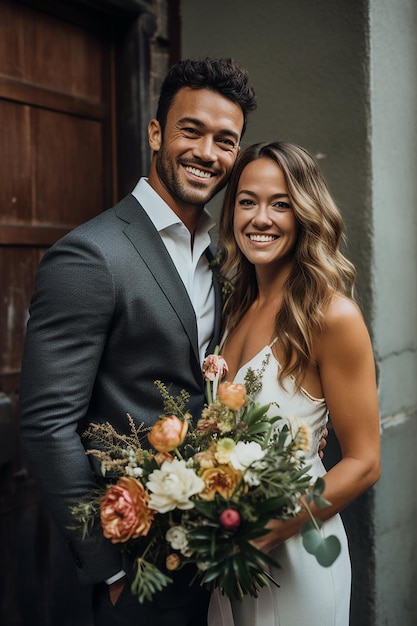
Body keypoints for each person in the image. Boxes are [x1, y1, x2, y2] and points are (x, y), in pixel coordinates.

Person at [18, 57, 257, 626]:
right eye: (190, 130)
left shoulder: (221, 255)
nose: (207, 153)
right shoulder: (91, 255)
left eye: (226, 141)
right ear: (156, 133)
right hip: (138, 569)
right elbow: (46, 424)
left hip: (212, 557)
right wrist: (112, 571)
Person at [208, 141, 381, 626]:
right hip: (230, 551)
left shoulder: (332, 316)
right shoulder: (237, 306)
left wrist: (268, 530)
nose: (260, 218)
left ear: (305, 213)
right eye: (247, 201)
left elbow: (365, 463)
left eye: (280, 203)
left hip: (300, 551)